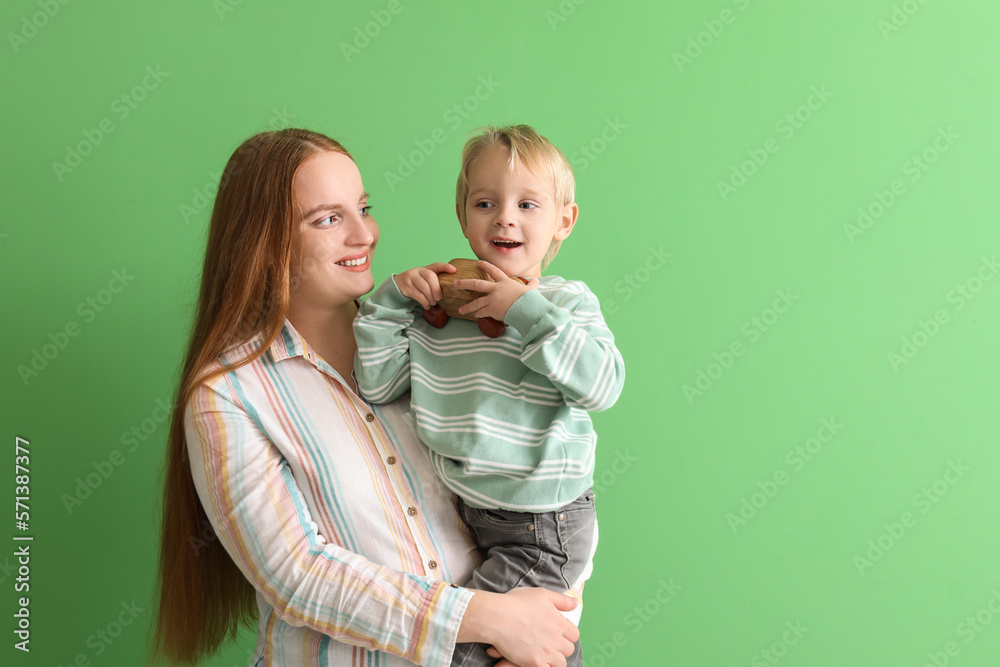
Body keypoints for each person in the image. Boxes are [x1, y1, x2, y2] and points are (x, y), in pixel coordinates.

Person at [149, 128, 581, 667]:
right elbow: (298, 575)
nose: (365, 235)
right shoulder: (229, 392)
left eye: (363, 208)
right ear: (264, 240)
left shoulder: (432, 339)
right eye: (328, 219)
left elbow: (542, 489)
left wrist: (543, 629)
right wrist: (488, 618)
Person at [353, 125, 625, 665]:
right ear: (463, 215)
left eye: (528, 204)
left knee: (461, 652)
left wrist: (521, 309)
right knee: (520, 652)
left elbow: (603, 385)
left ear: (562, 222)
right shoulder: (436, 315)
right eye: (486, 202)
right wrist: (389, 302)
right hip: (469, 518)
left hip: (543, 525)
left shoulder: (563, 305)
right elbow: (377, 386)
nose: (505, 217)